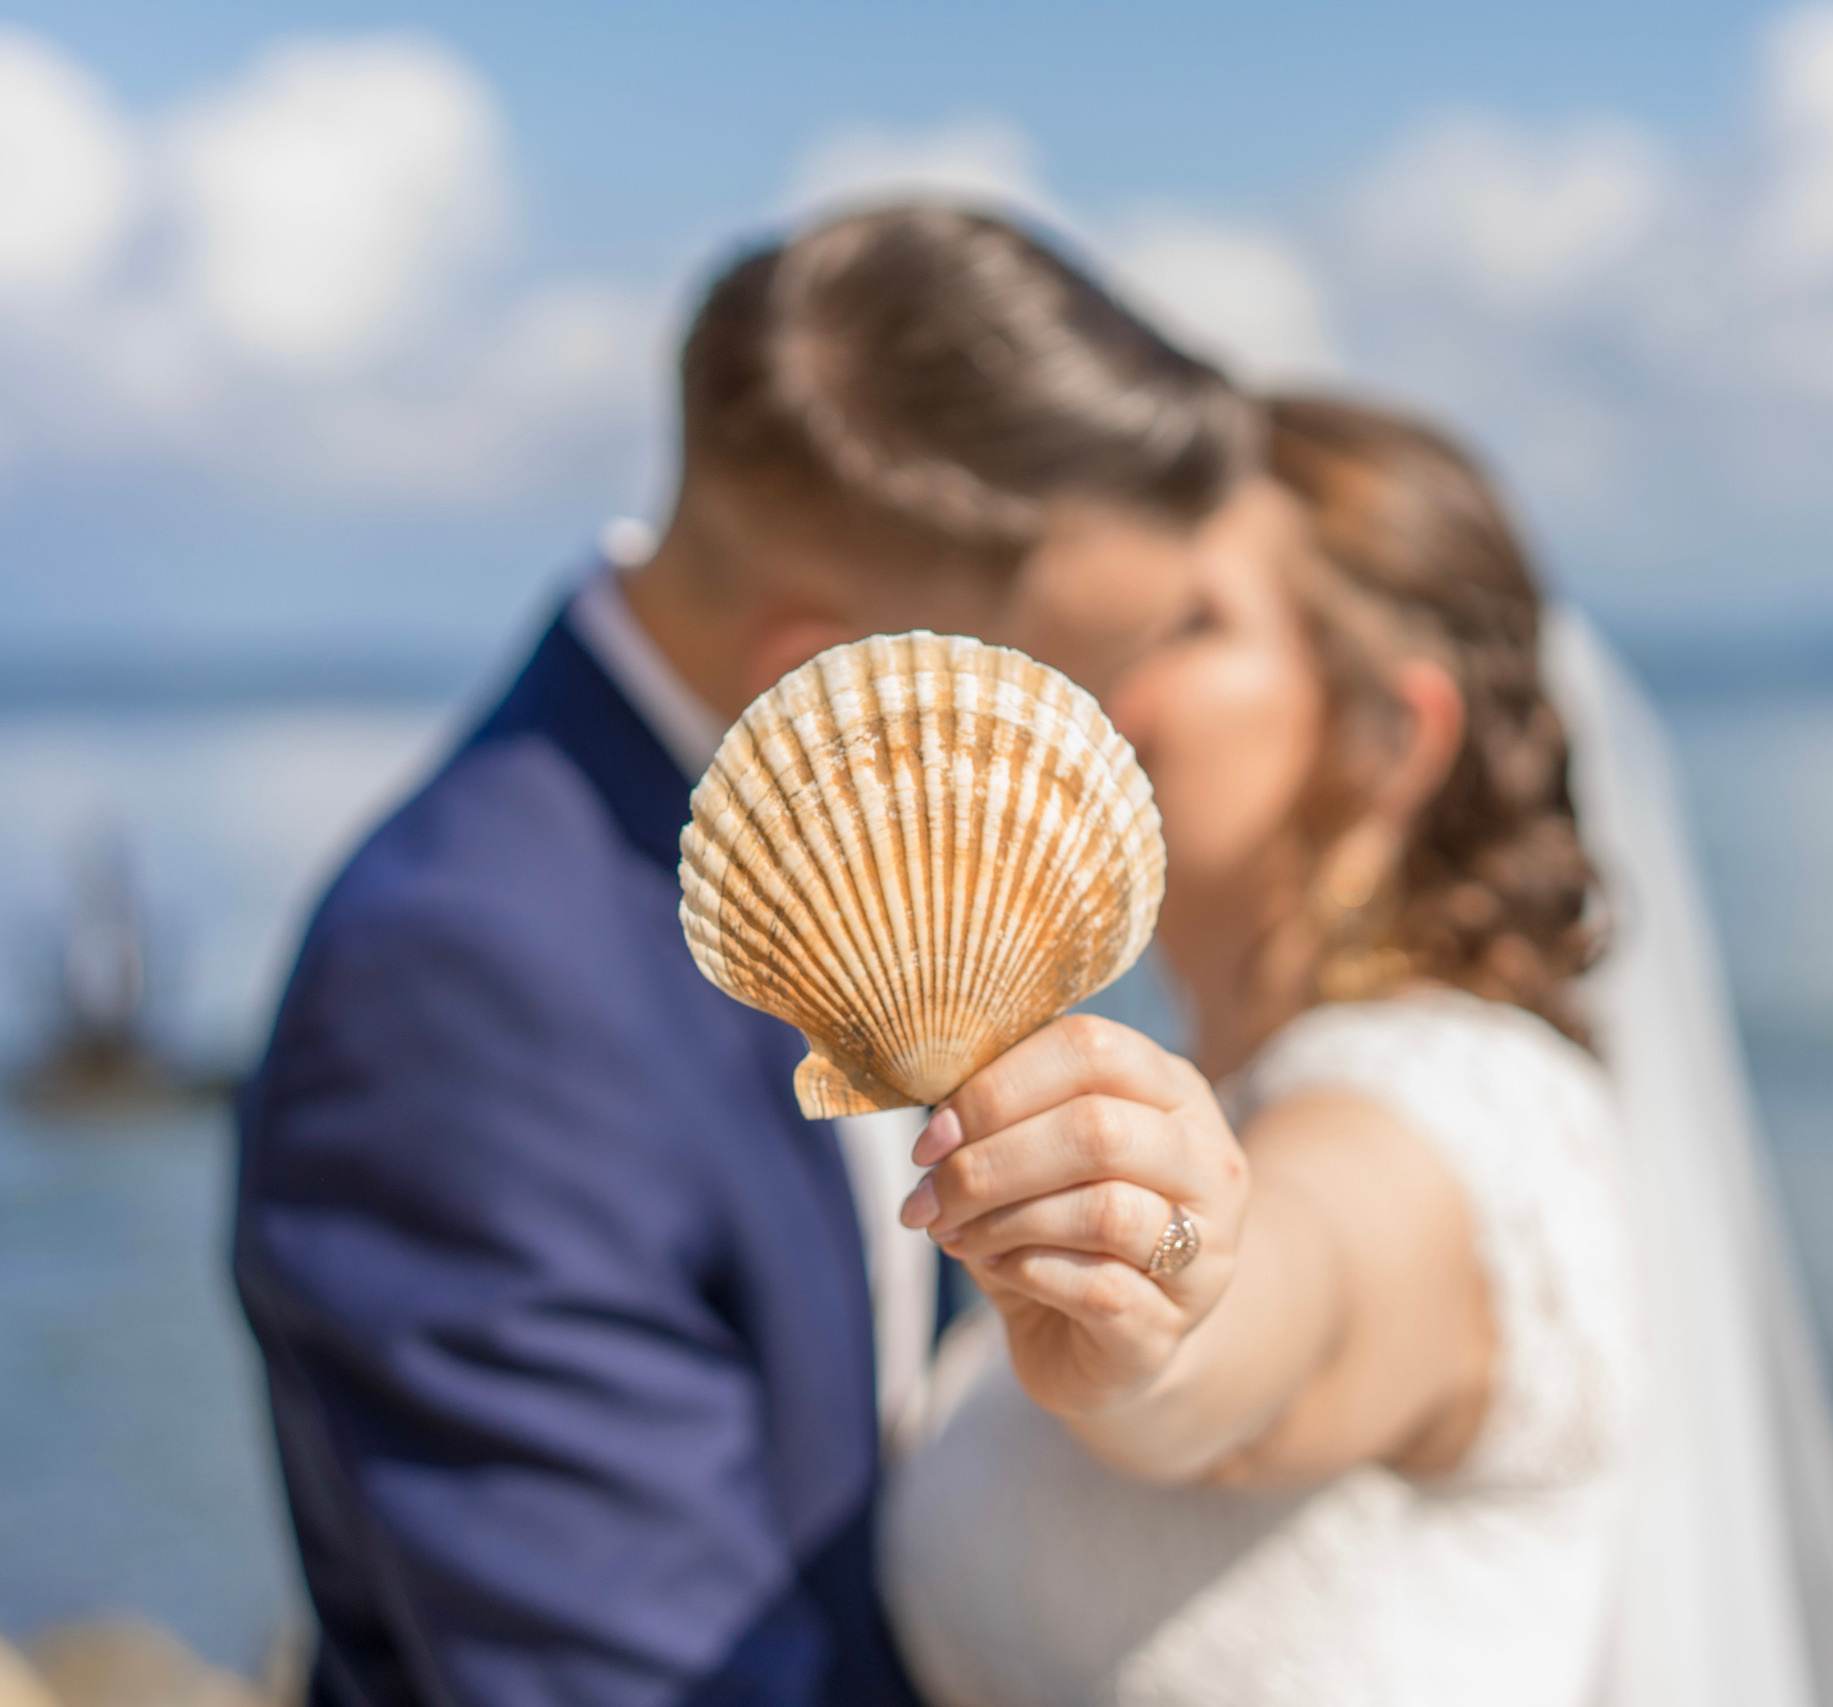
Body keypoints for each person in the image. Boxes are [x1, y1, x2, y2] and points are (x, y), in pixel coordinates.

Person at [229, 203, 1258, 1707]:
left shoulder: (856, 877)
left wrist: (1153, 1301)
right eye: (1083, 679)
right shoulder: (459, 988)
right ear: (816, 673)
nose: (1132, 731)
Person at [878, 396, 1644, 1703]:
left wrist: (1167, 1300)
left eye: (1188, 622)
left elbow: (1293, 1295)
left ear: (1390, 738)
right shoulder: (1248, 1098)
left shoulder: (1447, 1114)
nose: (1097, 659)